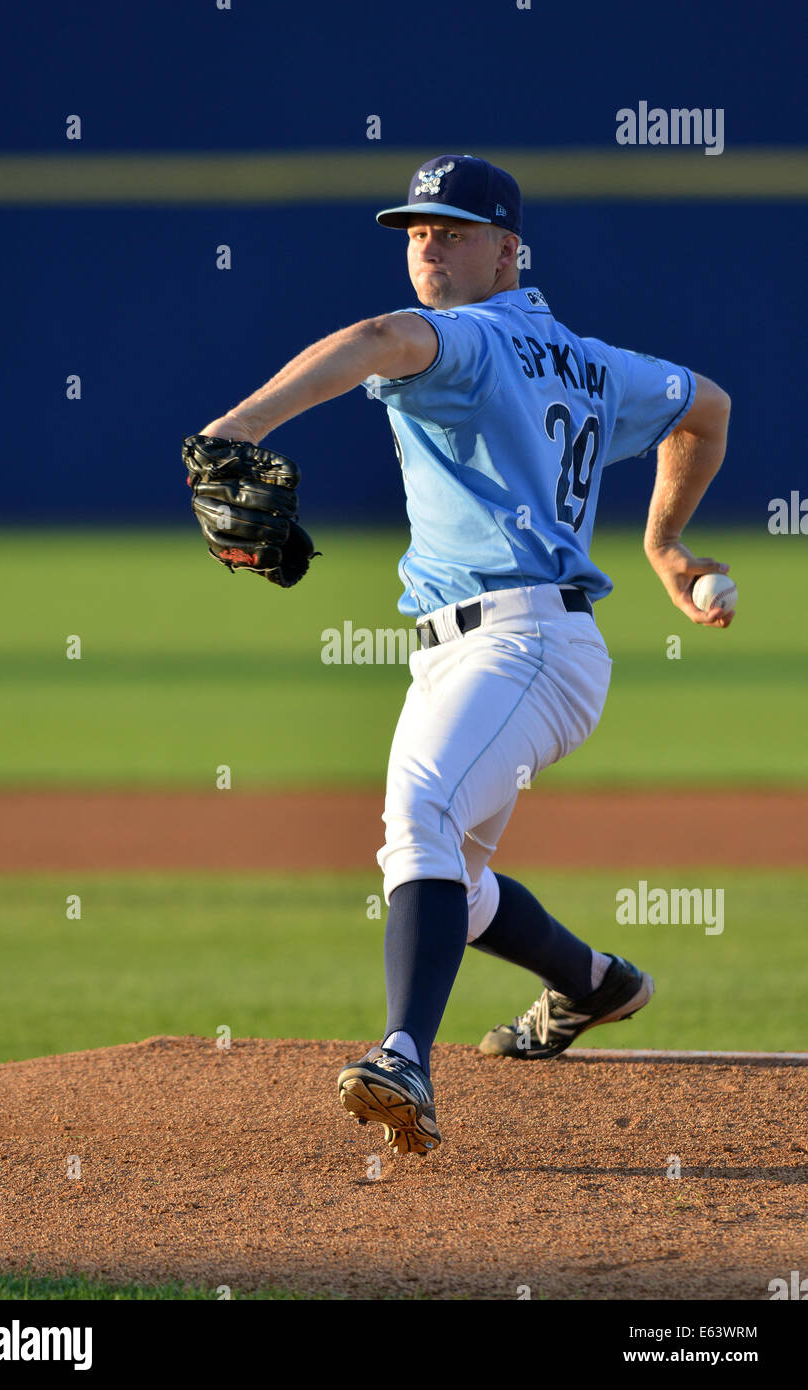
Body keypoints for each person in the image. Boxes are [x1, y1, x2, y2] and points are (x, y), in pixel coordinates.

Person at [198, 154, 733, 1156]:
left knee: (423, 815)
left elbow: (373, 341)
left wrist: (238, 427)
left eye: (452, 227)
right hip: (487, 650)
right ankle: (594, 984)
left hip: (525, 641)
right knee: (454, 875)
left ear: (508, 251)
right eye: (414, 229)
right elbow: (708, 407)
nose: (428, 243)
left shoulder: (472, 340)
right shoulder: (589, 360)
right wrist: (665, 544)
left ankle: (404, 1053)